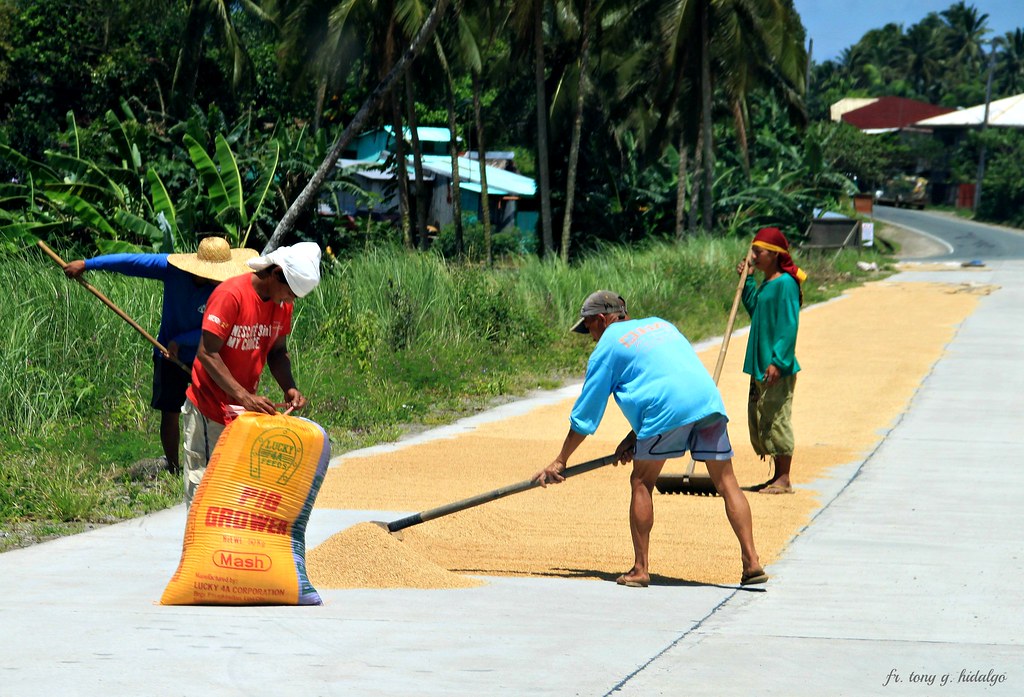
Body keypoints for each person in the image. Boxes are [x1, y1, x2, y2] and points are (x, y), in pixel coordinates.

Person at [532, 290, 767, 588]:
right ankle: (752, 562)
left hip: (665, 410)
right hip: (707, 402)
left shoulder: (608, 345)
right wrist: (636, 435)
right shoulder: (660, 325)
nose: (590, 336)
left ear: (603, 320)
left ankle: (640, 569)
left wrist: (560, 460)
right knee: (727, 483)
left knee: (642, 481)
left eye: (589, 327)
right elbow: (666, 376)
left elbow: (586, 415)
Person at [63, 238, 257, 475]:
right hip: (168, 354)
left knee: (218, 408)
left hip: (209, 356)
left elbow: (225, 328)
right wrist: (88, 264)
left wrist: (182, 340)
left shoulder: (229, 287)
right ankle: (173, 467)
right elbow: (131, 262)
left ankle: (220, 464)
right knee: (170, 410)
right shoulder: (173, 269)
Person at [181, 241, 322, 507]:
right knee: (204, 490)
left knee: (233, 491)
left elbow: (278, 352)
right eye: (289, 293)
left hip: (240, 412)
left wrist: (289, 387)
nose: (290, 301)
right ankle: (202, 547)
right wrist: (244, 396)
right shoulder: (231, 295)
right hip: (209, 408)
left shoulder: (282, 305)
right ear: (276, 273)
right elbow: (207, 353)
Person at [737, 226, 806, 495]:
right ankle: (777, 476)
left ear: (775, 255)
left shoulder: (786, 284)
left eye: (759, 251)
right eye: (753, 250)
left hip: (777, 364)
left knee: (777, 416)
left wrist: (778, 361)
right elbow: (756, 310)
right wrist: (747, 281)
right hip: (762, 362)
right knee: (762, 415)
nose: (753, 255)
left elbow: (789, 326)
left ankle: (784, 478)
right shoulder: (769, 283)